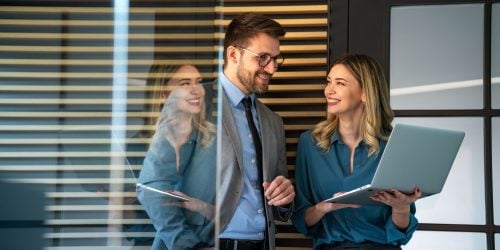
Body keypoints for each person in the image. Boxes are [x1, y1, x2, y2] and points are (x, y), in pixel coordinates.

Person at [291, 54, 422, 250]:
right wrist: (323, 207)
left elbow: (400, 233)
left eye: (340, 83)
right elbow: (301, 220)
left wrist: (401, 207)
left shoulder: (394, 145)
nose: (329, 90)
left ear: (365, 93)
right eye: (329, 82)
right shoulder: (309, 144)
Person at [210, 13, 295, 250]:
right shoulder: (196, 106)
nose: (272, 68)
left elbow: (279, 206)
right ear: (233, 54)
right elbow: (159, 189)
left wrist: (285, 198)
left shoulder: (272, 121)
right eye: (263, 58)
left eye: (276, 59)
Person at [136, 62, 217, 250]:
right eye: (185, 83)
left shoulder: (213, 140)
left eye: (198, 82)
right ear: (164, 94)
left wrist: (202, 207)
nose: (197, 90)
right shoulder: (140, 146)